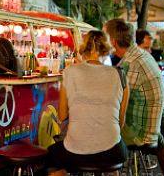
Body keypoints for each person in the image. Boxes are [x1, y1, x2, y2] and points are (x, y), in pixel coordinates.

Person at [47, 30, 129, 176]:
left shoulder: (70, 72)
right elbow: (121, 122)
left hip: (76, 150)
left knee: (52, 155)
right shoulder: (120, 75)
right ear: (106, 48)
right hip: (112, 151)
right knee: (115, 151)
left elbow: (62, 115)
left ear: (84, 48)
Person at [104, 19, 164, 176]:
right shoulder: (142, 55)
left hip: (140, 135)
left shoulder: (128, 65)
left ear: (112, 41)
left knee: (100, 130)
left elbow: (112, 102)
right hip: (154, 127)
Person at [136, 28, 164, 172]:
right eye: (146, 47)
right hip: (145, 113)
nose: (149, 51)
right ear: (137, 45)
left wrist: (163, 95)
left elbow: (156, 83)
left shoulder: (148, 59)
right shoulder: (133, 62)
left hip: (159, 108)